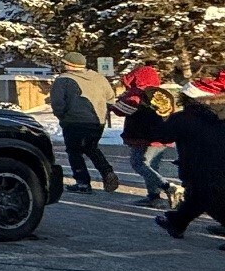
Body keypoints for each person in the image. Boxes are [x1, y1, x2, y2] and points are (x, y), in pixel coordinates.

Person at [122, 82, 225, 242]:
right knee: (199, 197)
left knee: (209, 199)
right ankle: (177, 223)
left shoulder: (185, 118)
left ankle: (177, 222)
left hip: (199, 165)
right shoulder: (216, 116)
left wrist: (152, 113)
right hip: (215, 164)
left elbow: (161, 134)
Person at [50, 52, 121, 194]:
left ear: (69, 65)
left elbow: (58, 103)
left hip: (74, 121)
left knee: (74, 152)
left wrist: (62, 116)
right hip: (97, 121)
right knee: (91, 148)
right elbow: (110, 98)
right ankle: (107, 171)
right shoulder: (98, 77)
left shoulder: (63, 80)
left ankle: (83, 182)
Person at [113, 66, 174, 207]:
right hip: (163, 136)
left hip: (142, 136)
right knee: (152, 167)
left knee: (139, 164)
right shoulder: (163, 93)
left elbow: (121, 110)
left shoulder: (137, 93)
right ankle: (154, 196)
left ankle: (168, 187)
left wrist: (112, 105)